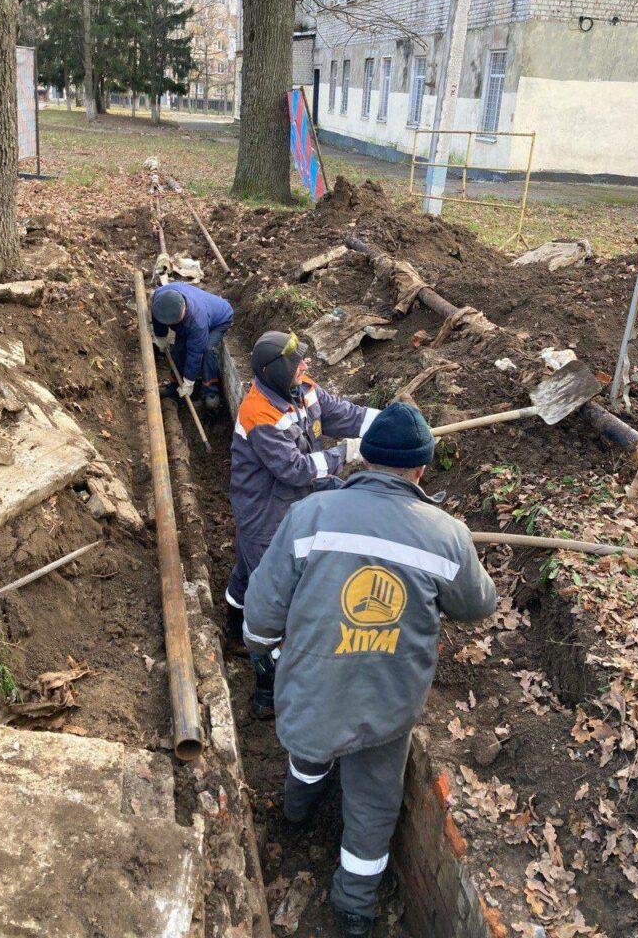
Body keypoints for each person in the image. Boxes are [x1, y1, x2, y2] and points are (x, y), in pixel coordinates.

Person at [242, 403, 497, 938]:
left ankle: (296, 809)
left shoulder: (311, 514)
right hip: (389, 698)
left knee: (309, 749)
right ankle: (354, 907)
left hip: (313, 685)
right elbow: (478, 604)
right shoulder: (445, 534)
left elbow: (263, 608)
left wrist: (262, 649)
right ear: (420, 470)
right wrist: (455, 547)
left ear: (367, 459)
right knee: (374, 802)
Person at [227, 329, 379, 715]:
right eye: (298, 362)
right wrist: (343, 455)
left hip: (291, 501)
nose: (306, 365)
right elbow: (294, 469)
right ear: (276, 371)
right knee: (266, 586)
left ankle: (233, 626)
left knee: (250, 573)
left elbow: (343, 414)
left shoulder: (303, 388)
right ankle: (264, 687)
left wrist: (385, 426)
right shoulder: (258, 412)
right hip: (263, 511)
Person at [151, 282, 233, 411]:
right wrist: (161, 337)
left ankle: (210, 391)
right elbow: (158, 320)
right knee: (177, 350)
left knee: (207, 350)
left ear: (184, 309)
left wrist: (189, 382)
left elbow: (195, 353)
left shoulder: (197, 321)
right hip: (193, 318)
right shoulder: (159, 299)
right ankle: (174, 384)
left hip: (220, 318)